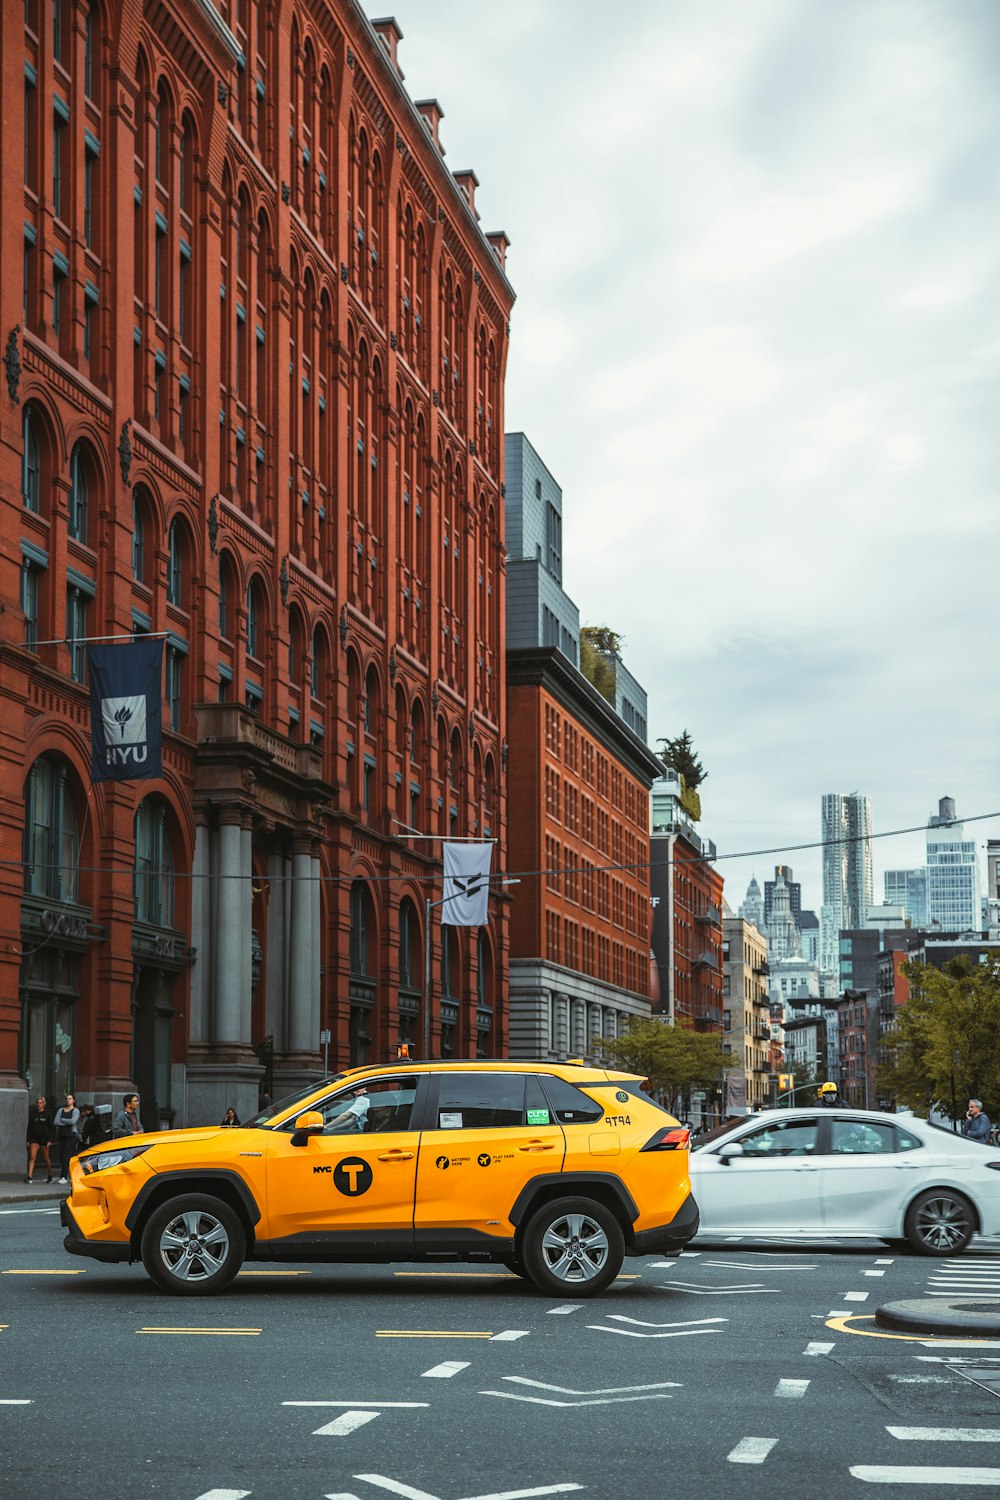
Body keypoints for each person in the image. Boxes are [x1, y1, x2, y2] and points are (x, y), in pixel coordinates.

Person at [53, 1093, 81, 1183]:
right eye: (67, 1099)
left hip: (71, 1135)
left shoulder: (75, 1111)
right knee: (61, 1155)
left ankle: (64, 1176)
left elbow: (73, 1121)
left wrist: (62, 1120)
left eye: (70, 1099)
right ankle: (65, 1175)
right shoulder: (61, 1110)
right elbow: (56, 1122)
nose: (68, 1100)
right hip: (62, 1135)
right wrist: (65, 1122)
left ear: (73, 1100)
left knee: (66, 1155)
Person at [25, 1096, 53, 1184]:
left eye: (41, 1103)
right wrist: (28, 1140)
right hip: (34, 1138)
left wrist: (50, 1140)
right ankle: (29, 1177)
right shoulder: (33, 1114)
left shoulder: (47, 1114)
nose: (39, 1105)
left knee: (46, 1158)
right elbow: (29, 1127)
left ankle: (50, 1175)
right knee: (32, 1156)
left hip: (44, 1138)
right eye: (37, 1103)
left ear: (44, 1104)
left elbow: (51, 1128)